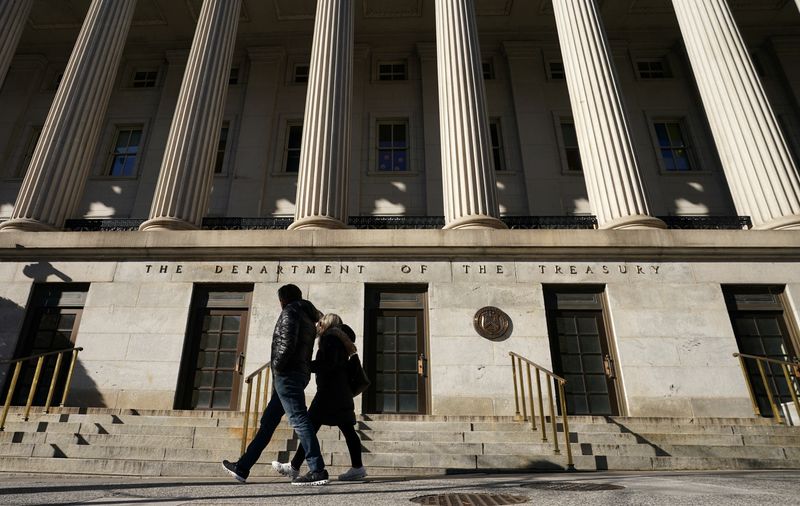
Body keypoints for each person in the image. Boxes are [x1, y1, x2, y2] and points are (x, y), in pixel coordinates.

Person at [222, 284, 329, 486]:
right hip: (297, 374)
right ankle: (243, 467)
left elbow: (285, 343)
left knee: (298, 419)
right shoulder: (307, 316)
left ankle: (318, 470)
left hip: (287, 375)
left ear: (283, 299)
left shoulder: (291, 311)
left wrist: (277, 367)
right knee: (268, 423)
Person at [271, 314, 367, 481]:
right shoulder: (341, 340)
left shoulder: (330, 338)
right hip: (340, 392)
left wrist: (306, 365)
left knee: (309, 426)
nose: (318, 324)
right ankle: (357, 467)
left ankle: (294, 466)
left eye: (321, 322)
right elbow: (335, 364)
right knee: (345, 429)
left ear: (329, 323)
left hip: (329, 393)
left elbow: (329, 364)